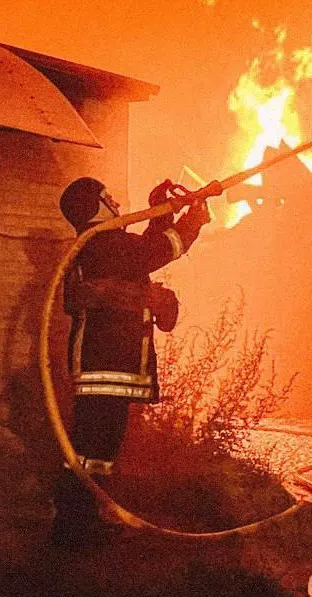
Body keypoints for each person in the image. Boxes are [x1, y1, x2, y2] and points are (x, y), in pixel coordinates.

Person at [52, 176, 211, 546]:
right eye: (109, 199)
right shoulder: (103, 243)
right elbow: (157, 250)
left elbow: (140, 254)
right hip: (106, 364)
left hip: (104, 365)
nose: (118, 205)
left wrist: (160, 212)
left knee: (96, 450)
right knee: (93, 448)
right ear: (95, 206)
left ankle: (80, 520)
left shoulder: (101, 246)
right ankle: (73, 528)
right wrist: (193, 219)